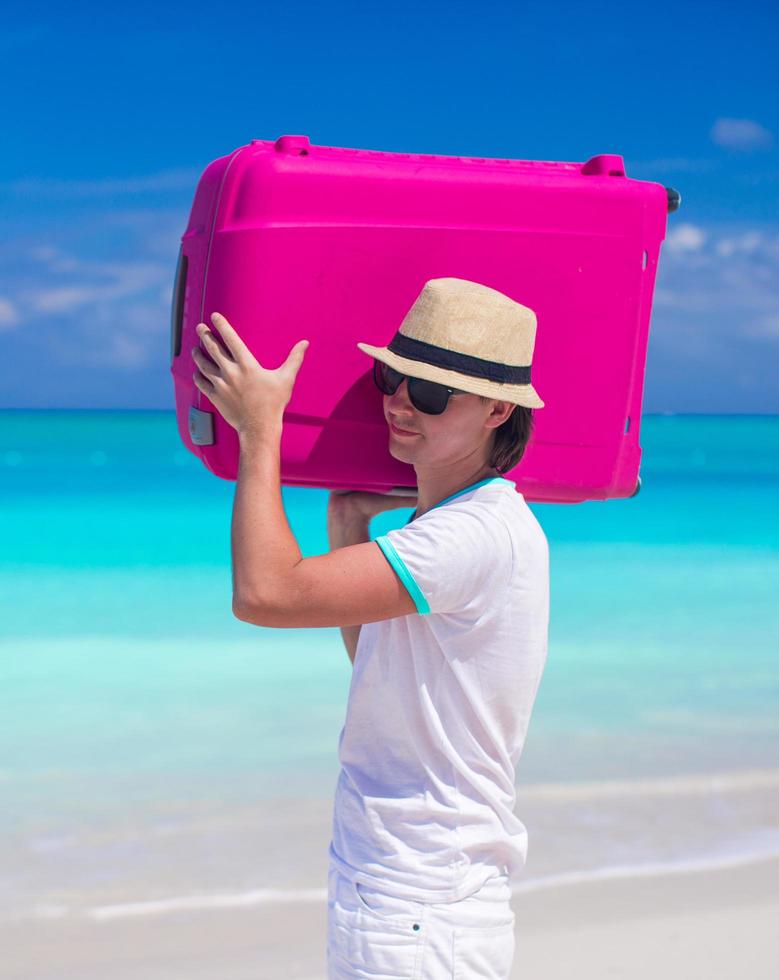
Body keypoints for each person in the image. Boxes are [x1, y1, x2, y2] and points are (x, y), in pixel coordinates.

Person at [190, 277, 549, 979]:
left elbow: (264, 594)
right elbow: (384, 675)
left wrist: (260, 431)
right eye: (394, 376)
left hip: (420, 897)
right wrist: (348, 523)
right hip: (412, 889)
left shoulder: (465, 538)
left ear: (497, 410)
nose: (400, 402)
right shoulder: (457, 526)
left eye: (434, 393)